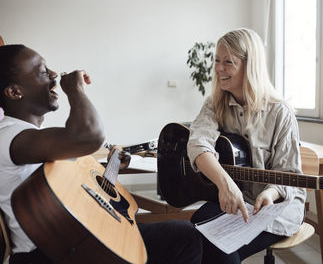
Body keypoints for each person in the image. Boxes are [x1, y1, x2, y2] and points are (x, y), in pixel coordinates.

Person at [0, 45, 202, 264]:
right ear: (14, 92)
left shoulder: (33, 139)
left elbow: (71, 197)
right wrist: (75, 90)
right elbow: (89, 136)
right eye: (41, 71)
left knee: (174, 234)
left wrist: (111, 171)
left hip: (74, 238)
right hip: (52, 251)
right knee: (184, 236)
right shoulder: (10, 136)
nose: (54, 74)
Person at [187, 28, 307, 263]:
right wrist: (226, 185)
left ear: (249, 66)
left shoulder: (280, 113)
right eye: (217, 61)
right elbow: (198, 144)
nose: (219, 68)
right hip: (235, 202)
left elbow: (289, 175)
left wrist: (270, 193)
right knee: (195, 230)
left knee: (218, 248)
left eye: (228, 62)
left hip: (275, 209)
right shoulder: (214, 104)